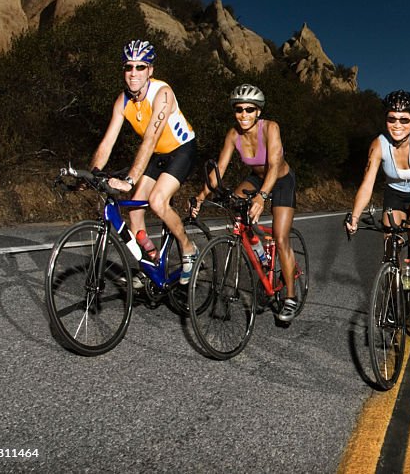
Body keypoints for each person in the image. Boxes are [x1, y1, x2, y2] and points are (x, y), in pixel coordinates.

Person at [89, 39, 198, 283]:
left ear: (150, 70)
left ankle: (188, 247)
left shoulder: (162, 93)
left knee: (157, 201)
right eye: (129, 67)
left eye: (141, 67)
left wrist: (130, 179)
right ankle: (151, 263)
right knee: (135, 211)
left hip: (181, 151)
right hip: (158, 156)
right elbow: (107, 143)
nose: (134, 73)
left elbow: (150, 139)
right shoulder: (123, 101)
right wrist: (92, 174)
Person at [190, 84, 302, 322]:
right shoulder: (233, 134)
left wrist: (262, 197)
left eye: (249, 109)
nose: (243, 115)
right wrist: (201, 197)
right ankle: (260, 252)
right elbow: (219, 169)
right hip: (256, 178)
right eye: (239, 109)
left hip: (281, 179)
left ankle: (291, 298)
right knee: (233, 206)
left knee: (281, 239)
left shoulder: (271, 128)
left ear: (258, 111)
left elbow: (273, 165)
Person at [345, 90, 410, 305]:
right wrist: (355, 216)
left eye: (404, 120)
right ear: (386, 119)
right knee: (390, 241)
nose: (397, 125)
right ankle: (393, 290)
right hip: (394, 194)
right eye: (392, 119)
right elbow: (367, 185)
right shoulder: (378, 145)